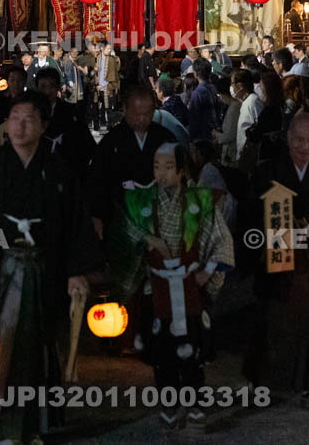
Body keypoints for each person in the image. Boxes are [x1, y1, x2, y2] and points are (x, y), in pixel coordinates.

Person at [0, 91, 102, 444]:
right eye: (15, 117)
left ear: (43, 126)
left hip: (44, 271)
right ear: (6, 122)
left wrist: (76, 270)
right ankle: (3, 424)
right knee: (0, 345)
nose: (20, 126)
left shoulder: (59, 172)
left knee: (36, 348)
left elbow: (75, 224)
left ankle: (33, 425)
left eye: (30, 119)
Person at [120, 143, 234, 428]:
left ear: (182, 171)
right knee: (162, 354)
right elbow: (125, 234)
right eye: (156, 167)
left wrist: (207, 272)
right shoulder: (145, 202)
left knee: (192, 350)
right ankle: (169, 404)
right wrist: (147, 241)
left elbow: (222, 242)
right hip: (156, 287)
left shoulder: (199, 202)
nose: (161, 173)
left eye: (168, 167)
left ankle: (196, 402)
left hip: (188, 286)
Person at [243, 113, 309, 403]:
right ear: (288, 138)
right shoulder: (267, 172)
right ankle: (261, 380)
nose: (304, 146)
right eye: (299, 139)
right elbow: (251, 214)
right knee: (271, 320)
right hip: (276, 258)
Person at [90, 86, 175, 240]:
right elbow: (97, 180)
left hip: (159, 216)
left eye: (147, 113)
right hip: (121, 217)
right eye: (136, 114)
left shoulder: (164, 137)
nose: (142, 119)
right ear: (125, 109)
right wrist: (97, 215)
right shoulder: (111, 142)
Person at [233, 69, 264, 163]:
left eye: (232, 83)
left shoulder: (253, 102)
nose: (231, 87)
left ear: (240, 86)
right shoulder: (247, 101)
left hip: (249, 157)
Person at [187, 60, 220, 142]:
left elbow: (194, 118)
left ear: (195, 73)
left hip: (202, 136)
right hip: (214, 131)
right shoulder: (213, 87)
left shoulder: (197, 93)